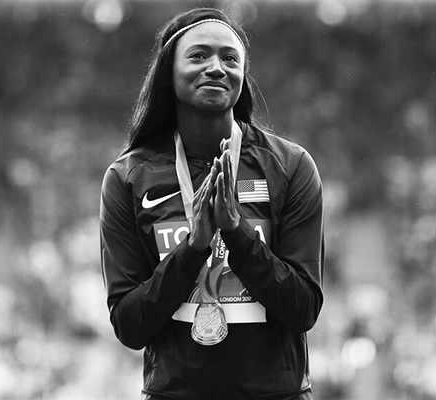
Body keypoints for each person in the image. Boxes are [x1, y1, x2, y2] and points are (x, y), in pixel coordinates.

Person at [99, 7, 324, 400]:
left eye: (230, 58)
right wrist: (193, 248)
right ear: (168, 73)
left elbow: (303, 309)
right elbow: (130, 325)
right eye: (199, 55)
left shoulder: (290, 166)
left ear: (242, 75)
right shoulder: (129, 177)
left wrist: (237, 233)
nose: (217, 68)